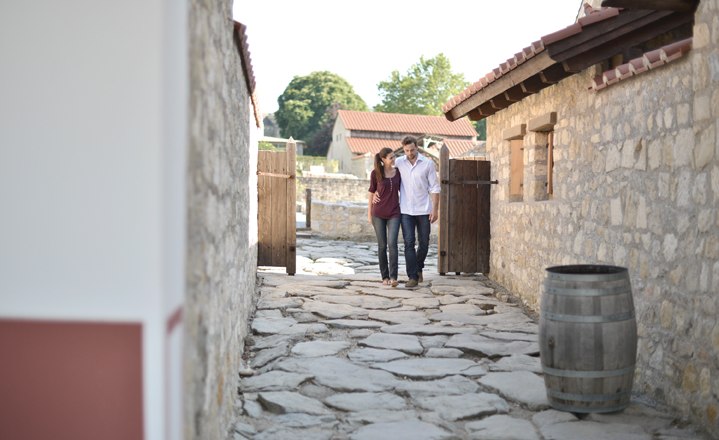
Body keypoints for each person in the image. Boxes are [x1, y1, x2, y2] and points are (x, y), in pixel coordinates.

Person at [394, 135, 440, 288]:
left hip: (424, 210)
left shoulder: (428, 164)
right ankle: (412, 276)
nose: (409, 153)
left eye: (412, 150)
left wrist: (435, 209)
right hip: (406, 210)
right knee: (409, 243)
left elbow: (435, 187)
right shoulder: (399, 162)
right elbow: (384, 170)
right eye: (406, 150)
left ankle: (419, 267)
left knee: (425, 243)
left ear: (417, 147)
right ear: (403, 149)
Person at [367, 147, 401, 287]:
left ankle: (393, 277)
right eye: (391, 157)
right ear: (383, 159)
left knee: (392, 244)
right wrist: (369, 213)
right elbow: (371, 193)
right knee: (382, 246)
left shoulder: (399, 172)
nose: (394, 159)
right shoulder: (376, 173)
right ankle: (385, 276)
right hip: (378, 213)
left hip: (394, 212)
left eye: (394, 156)